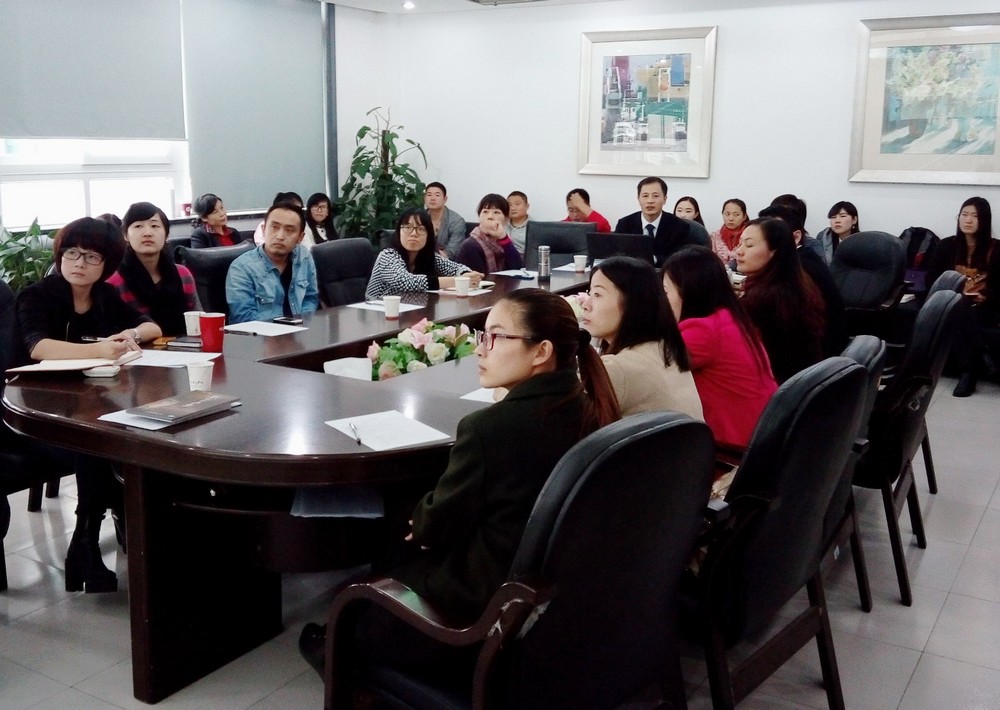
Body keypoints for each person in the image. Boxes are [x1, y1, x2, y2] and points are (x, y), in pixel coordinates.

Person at [299, 288, 621, 675]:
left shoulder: (489, 428)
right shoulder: (586, 406)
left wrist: (420, 520)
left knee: (382, 572)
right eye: (482, 335)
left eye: (496, 336)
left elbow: (437, 526)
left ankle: (345, 651)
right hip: (549, 593)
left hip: (482, 605)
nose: (481, 350)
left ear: (541, 352)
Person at [16, 217, 163, 593]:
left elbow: (151, 327)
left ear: (106, 265)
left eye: (92, 256)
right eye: (72, 253)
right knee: (97, 444)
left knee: (121, 435)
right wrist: (100, 349)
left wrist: (128, 334)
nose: (79, 263)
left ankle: (86, 543)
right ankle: (88, 543)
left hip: (85, 404)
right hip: (33, 414)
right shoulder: (36, 295)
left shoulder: (104, 296)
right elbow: (38, 347)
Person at [662, 246, 778, 447]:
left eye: (665, 291)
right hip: (763, 434)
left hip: (732, 449)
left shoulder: (703, 331)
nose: (661, 300)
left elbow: (650, 364)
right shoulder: (729, 317)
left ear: (689, 291)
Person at [581, 256, 703, 419]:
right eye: (589, 293)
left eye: (597, 294)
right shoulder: (666, 347)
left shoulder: (618, 368)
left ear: (632, 304)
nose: (586, 305)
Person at [736, 217, 827, 383]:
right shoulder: (799, 283)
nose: (739, 251)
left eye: (749, 245)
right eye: (740, 243)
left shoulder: (764, 298)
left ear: (774, 252)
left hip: (779, 385)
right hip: (806, 382)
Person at [927, 196, 1000, 397]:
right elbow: (932, 279)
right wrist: (955, 294)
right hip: (953, 302)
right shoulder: (946, 246)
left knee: (959, 312)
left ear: (984, 220)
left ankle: (968, 371)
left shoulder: (996, 249)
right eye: (964, 214)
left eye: (974, 216)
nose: (968, 220)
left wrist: (987, 297)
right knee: (957, 305)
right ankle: (978, 358)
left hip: (984, 306)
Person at [759, 203, 847, 356]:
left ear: (796, 237)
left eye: (773, 235)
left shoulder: (799, 268)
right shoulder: (804, 257)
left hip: (818, 353)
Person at [106, 201, 199, 336]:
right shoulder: (114, 281)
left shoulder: (182, 274)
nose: (147, 233)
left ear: (166, 235)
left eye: (155, 226)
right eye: (138, 226)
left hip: (184, 345)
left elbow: (197, 321)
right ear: (125, 235)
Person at [225, 201, 320, 323]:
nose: (280, 236)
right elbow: (244, 317)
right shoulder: (241, 268)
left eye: (289, 230)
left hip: (300, 331)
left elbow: (310, 298)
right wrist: (285, 328)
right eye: (274, 227)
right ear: (264, 229)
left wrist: (302, 322)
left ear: (300, 237)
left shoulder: (304, 257)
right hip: (259, 333)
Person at [365, 207, 483, 300]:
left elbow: (454, 267)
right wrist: (459, 281)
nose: (413, 233)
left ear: (428, 235)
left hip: (412, 310)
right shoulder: (388, 255)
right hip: (378, 313)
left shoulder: (427, 255)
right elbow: (406, 282)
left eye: (420, 229)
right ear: (399, 232)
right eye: (407, 227)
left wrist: (467, 274)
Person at [615, 176, 700, 265]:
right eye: (645, 196)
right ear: (638, 199)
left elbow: (681, 259)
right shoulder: (624, 224)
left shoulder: (679, 226)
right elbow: (616, 257)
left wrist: (654, 259)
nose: (650, 201)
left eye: (655, 196)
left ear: (664, 199)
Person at [455, 193, 523, 274]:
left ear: (506, 219)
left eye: (496, 212)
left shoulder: (503, 240)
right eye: (485, 212)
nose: (490, 216)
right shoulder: (470, 245)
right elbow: (480, 278)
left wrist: (503, 238)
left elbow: (516, 268)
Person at [424, 182, 467, 259]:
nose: (432, 198)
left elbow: (451, 253)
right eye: (429, 195)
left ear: (445, 199)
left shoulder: (456, 221)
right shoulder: (419, 219)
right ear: (424, 198)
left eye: (437, 195)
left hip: (447, 262)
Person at [710, 198, 749, 267]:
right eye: (727, 214)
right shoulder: (714, 236)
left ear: (744, 217)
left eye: (736, 215)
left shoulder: (749, 236)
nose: (731, 218)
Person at [506, 190, 531, 255]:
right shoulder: (502, 224)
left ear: (527, 206)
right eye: (510, 205)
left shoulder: (533, 227)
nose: (513, 208)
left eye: (517, 204)